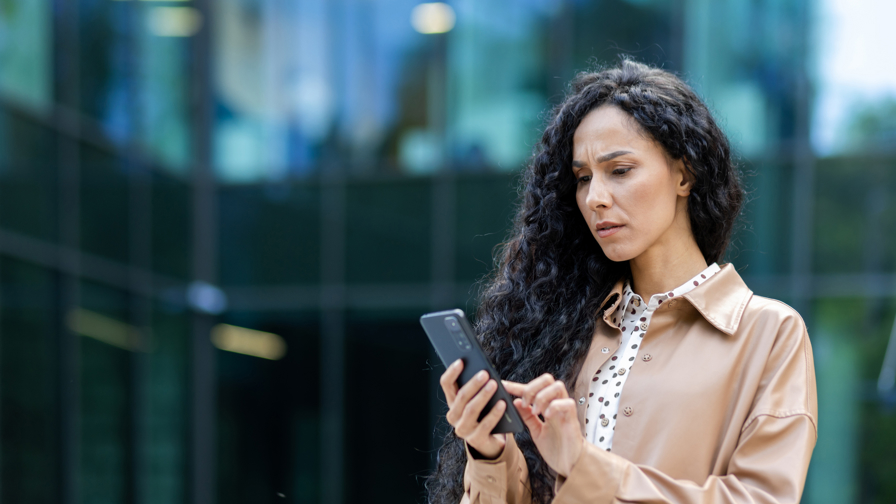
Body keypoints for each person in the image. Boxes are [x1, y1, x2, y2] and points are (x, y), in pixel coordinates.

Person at [425, 59, 817, 504]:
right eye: (583, 178)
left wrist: (583, 465)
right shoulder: (564, 328)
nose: (595, 198)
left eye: (620, 170)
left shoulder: (769, 333)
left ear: (684, 174)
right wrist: (489, 452)